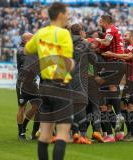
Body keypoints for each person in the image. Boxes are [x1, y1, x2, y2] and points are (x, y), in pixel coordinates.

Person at [24, 2, 74, 160]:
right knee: (62, 135)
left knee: (44, 135)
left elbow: (27, 49)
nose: (68, 16)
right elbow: (66, 64)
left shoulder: (40, 33)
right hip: (60, 85)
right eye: (67, 13)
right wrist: (72, 64)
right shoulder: (64, 34)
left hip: (45, 87)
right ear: (60, 15)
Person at [70, 23, 104, 144]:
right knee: (83, 105)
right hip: (82, 79)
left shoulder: (67, 43)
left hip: (68, 79)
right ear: (80, 32)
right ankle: (84, 135)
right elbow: (93, 60)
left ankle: (74, 132)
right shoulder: (85, 44)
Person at [95, 14, 125, 142]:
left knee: (110, 89)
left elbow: (106, 42)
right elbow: (107, 44)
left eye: (100, 20)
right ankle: (118, 132)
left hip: (114, 62)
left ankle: (118, 116)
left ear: (104, 21)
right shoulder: (113, 30)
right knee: (109, 93)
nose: (99, 22)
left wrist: (96, 40)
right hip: (116, 62)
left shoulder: (110, 29)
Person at [16, 32, 40, 140]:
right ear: (26, 40)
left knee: (37, 105)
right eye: (32, 38)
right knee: (22, 106)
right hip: (23, 82)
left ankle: (25, 124)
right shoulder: (21, 50)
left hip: (33, 82)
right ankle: (21, 132)